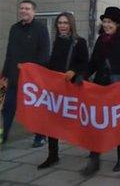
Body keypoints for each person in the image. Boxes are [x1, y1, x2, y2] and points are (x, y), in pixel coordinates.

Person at [81, 7, 120, 175]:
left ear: (118, 24)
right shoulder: (101, 40)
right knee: (96, 122)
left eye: (110, 22)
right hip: (101, 87)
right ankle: (94, 158)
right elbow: (93, 63)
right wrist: (83, 75)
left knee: (119, 123)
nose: (106, 25)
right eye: (105, 21)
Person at [38, 12, 89, 169]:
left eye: (65, 23)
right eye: (60, 23)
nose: (62, 26)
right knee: (51, 122)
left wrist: (74, 71)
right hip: (56, 89)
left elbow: (85, 64)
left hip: (72, 88)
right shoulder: (56, 41)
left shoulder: (79, 42)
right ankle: (53, 155)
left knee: (81, 121)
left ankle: (94, 148)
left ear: (71, 24)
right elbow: (52, 64)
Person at [1, 0, 50, 147]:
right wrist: (4, 74)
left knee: (34, 109)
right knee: (8, 108)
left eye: (27, 8)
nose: (23, 11)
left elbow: (44, 52)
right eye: (21, 8)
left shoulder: (40, 28)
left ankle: (40, 136)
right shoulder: (14, 28)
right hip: (14, 77)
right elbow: (9, 53)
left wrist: (32, 69)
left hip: (32, 79)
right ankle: (3, 136)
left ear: (33, 11)